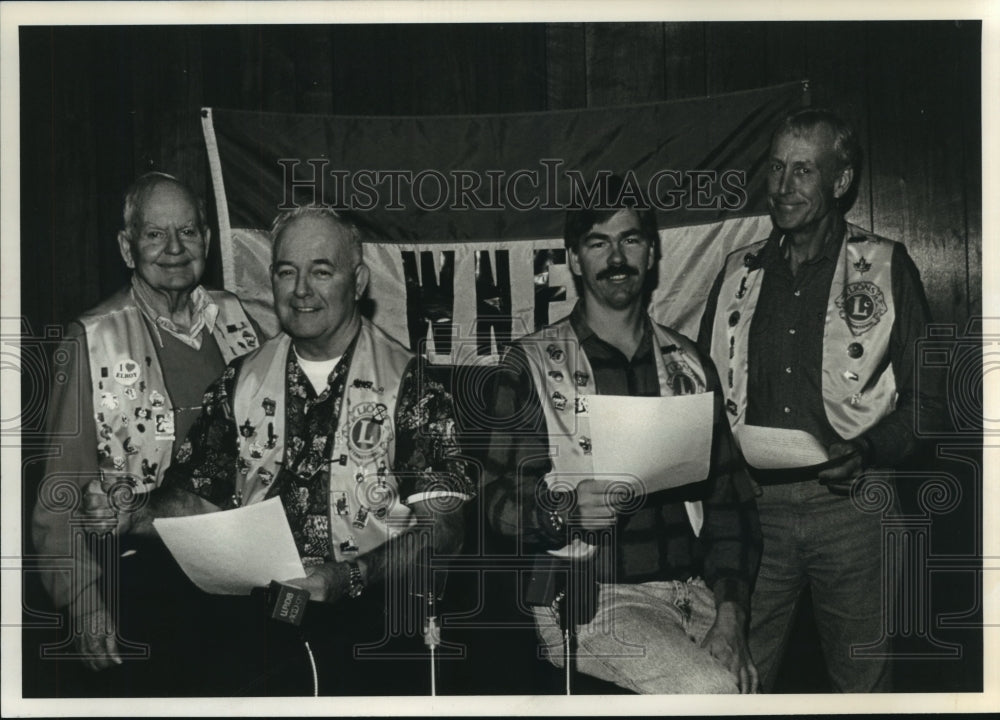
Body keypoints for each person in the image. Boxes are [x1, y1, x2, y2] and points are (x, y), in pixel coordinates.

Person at [87, 205, 475, 695]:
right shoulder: (240, 378)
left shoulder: (412, 385)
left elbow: (445, 531)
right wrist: (132, 514)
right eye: (286, 272)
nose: (301, 291)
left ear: (356, 282)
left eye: (321, 271)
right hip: (263, 619)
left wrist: (347, 578)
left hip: (373, 620)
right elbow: (194, 499)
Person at [482, 175, 762, 694]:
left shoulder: (689, 364)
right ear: (573, 258)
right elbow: (495, 501)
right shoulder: (533, 363)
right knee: (711, 691)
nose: (616, 257)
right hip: (590, 596)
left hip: (695, 591)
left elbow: (731, 505)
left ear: (652, 253)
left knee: (752, 691)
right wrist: (561, 511)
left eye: (630, 239)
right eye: (597, 242)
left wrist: (732, 614)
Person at [698, 108, 937, 692]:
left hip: (856, 508)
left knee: (863, 684)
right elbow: (702, 388)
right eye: (777, 167)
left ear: (840, 181)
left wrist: (871, 446)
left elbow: (931, 403)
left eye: (803, 170)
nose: (783, 187)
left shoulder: (885, 266)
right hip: (756, 515)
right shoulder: (737, 270)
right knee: (727, 681)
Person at [30, 172, 261, 680]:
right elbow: (58, 495)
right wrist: (84, 600)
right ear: (127, 247)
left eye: (188, 231)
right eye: (155, 234)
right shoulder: (90, 338)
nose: (175, 248)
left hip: (244, 573)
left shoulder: (243, 320)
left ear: (207, 239)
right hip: (142, 579)